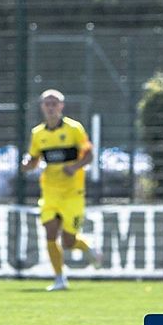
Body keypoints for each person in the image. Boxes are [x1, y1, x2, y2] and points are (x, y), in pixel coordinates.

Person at [21, 89, 102, 291]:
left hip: (73, 193)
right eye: (47, 103)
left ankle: (85, 246)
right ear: (42, 107)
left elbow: (89, 154)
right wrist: (27, 164)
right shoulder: (37, 134)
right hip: (50, 192)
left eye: (54, 103)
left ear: (61, 106)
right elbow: (34, 159)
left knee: (68, 241)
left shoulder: (74, 129)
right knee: (50, 233)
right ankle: (59, 279)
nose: (50, 107)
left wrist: (74, 167)